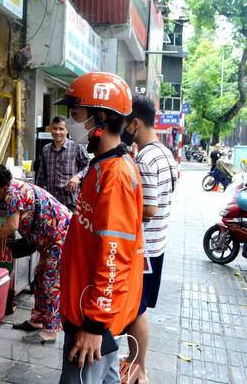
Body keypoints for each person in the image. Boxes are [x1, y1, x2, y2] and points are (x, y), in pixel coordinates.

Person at [55, 72, 144, 384]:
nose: (72, 125)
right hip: (85, 311)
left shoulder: (116, 175)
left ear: (100, 119)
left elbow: (114, 256)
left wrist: (94, 326)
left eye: (77, 116)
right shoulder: (99, 166)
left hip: (91, 322)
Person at [0, 161, 71, 344]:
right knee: (40, 275)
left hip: (60, 237)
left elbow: (12, 225)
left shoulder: (12, 194)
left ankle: (51, 329)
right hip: (51, 238)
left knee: (51, 282)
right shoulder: (14, 187)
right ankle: (37, 320)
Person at [120, 95, 178, 384]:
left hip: (145, 250)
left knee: (136, 311)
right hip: (158, 246)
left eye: (126, 122)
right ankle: (133, 362)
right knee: (138, 310)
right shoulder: (165, 152)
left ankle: (139, 369)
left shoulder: (145, 157)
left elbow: (150, 209)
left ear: (135, 123)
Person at [35, 116, 90, 211]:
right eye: (55, 128)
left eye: (61, 129)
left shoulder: (77, 147)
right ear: (51, 129)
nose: (57, 132)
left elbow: (89, 165)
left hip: (71, 201)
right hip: (51, 202)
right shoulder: (46, 149)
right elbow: (41, 175)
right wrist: (37, 197)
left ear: (67, 130)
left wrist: (78, 176)